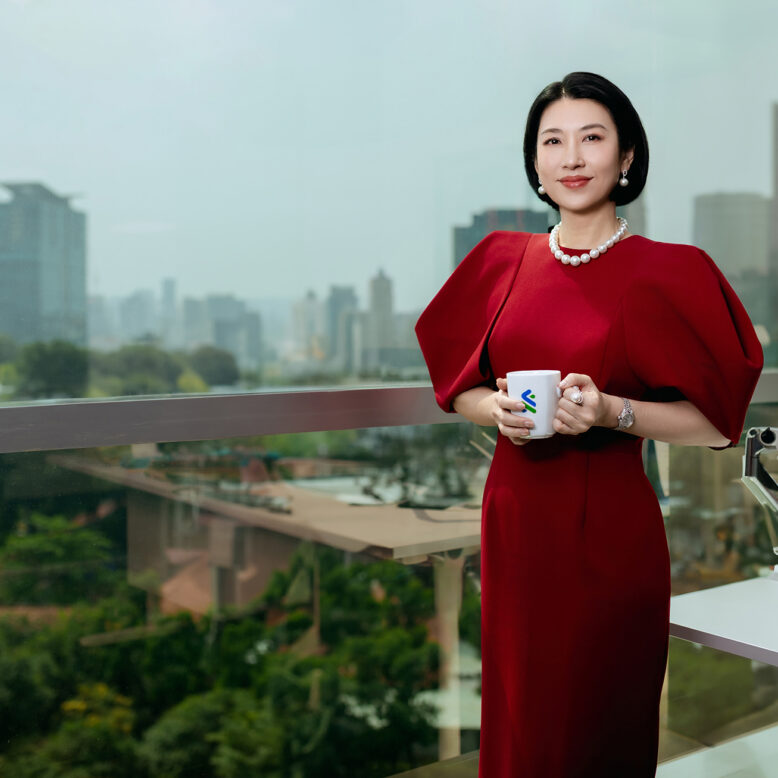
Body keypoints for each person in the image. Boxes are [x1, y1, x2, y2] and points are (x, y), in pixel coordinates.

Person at [415, 72, 763, 777]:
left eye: (592, 138)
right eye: (553, 141)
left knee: (595, 729)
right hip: (514, 527)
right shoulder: (500, 261)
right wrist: (498, 409)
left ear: (626, 156)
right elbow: (459, 388)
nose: (572, 157)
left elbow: (715, 425)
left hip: (609, 531)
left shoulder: (670, 272)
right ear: (536, 164)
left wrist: (612, 411)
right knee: (522, 729)